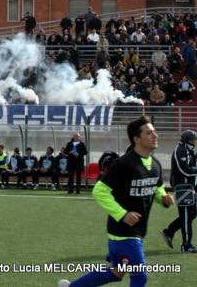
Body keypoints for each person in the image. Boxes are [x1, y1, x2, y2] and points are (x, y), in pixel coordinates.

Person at [59, 116, 174, 287]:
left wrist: (163, 197)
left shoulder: (155, 164)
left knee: (116, 272)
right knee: (140, 276)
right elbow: (100, 191)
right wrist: (122, 214)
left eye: (154, 132)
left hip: (138, 231)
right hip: (122, 233)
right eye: (149, 133)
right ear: (137, 139)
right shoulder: (124, 163)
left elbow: (156, 187)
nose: (155, 135)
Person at [161, 130, 197, 253]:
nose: (194, 142)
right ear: (187, 139)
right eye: (192, 140)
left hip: (190, 187)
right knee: (186, 216)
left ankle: (169, 231)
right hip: (183, 187)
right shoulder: (180, 150)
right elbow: (184, 170)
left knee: (191, 213)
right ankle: (186, 245)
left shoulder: (188, 150)